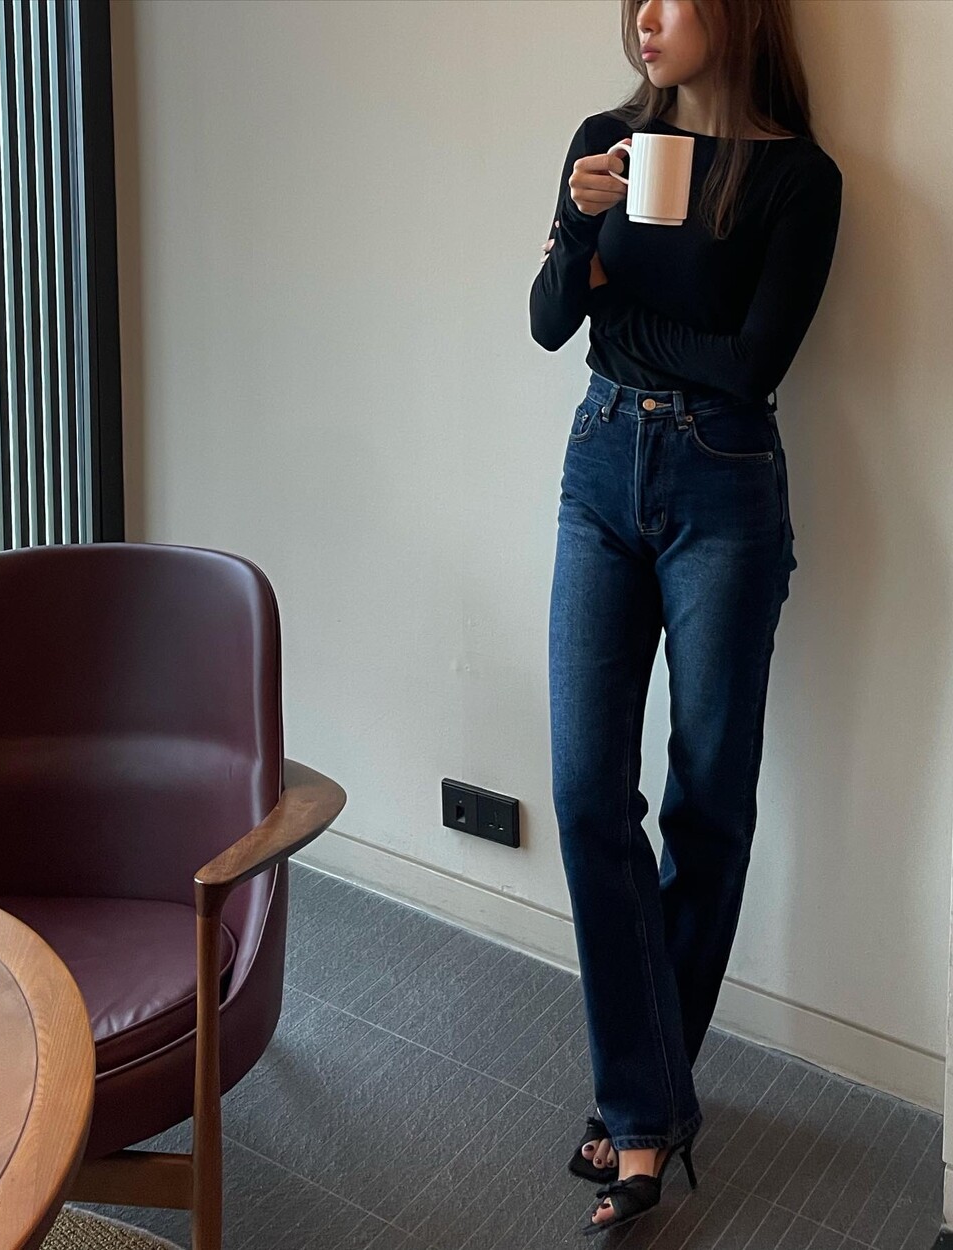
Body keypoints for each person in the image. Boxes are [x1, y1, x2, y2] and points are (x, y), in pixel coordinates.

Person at [530, 0, 843, 1235]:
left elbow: (752, 364)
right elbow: (551, 321)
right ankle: (651, 1102)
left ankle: (636, 1117)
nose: (644, 18)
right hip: (598, 466)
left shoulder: (799, 180)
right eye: (636, 1)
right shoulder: (604, 141)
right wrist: (579, 230)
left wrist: (622, 306)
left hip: (724, 485)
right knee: (584, 792)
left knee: (707, 801)